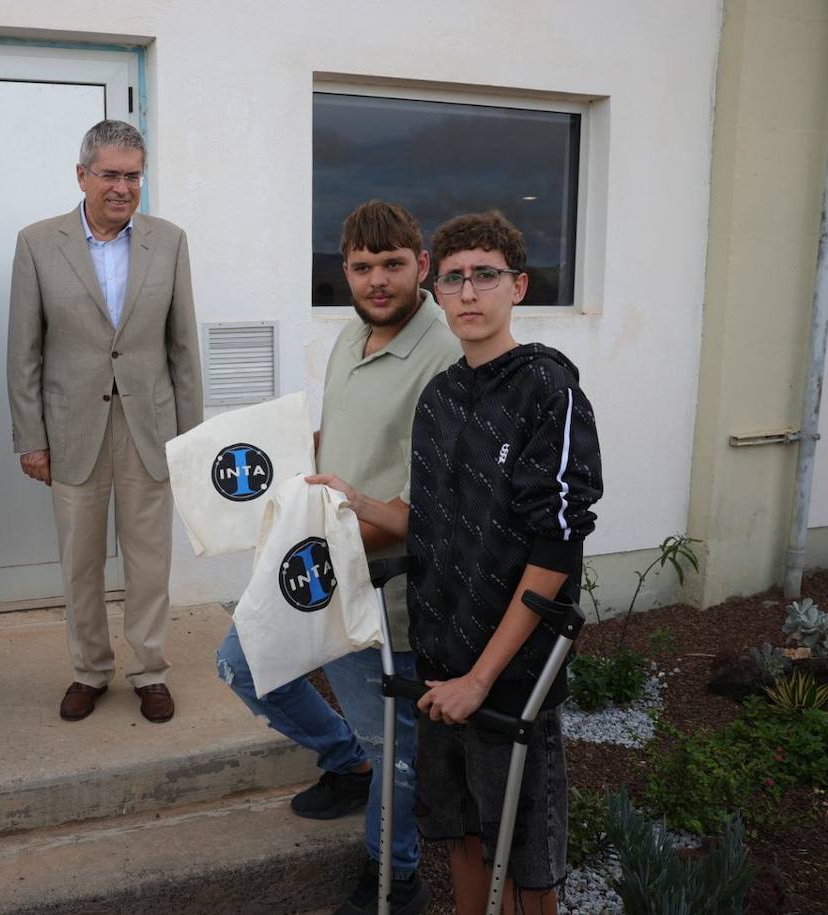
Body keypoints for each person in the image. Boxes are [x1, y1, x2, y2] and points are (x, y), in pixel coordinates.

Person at [322, 211, 604, 914]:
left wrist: (482, 678)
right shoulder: (442, 397)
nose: (469, 292)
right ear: (436, 289)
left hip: (507, 676)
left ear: (518, 286)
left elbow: (556, 551)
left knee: (525, 851)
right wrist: (355, 499)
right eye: (454, 278)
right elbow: (432, 525)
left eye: (485, 275)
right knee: (465, 835)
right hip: (440, 656)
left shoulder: (550, 392)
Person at [217, 200, 460, 915]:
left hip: (384, 592)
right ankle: (342, 759)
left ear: (420, 264)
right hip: (323, 565)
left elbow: (422, 513)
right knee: (241, 665)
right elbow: (345, 438)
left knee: (396, 746)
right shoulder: (353, 335)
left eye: (392, 264)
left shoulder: (444, 358)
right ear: (344, 271)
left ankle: (397, 876)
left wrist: (321, 540)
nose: (376, 280)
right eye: (361, 266)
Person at [6, 119, 202, 724]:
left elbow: (184, 347)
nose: (123, 187)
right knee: (80, 560)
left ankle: (149, 670)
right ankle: (89, 670)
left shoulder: (168, 242)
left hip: (152, 428)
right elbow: (24, 351)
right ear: (82, 175)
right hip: (72, 432)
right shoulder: (39, 243)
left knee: (150, 560)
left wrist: (191, 441)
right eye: (111, 174)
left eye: (133, 175)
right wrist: (30, 439)